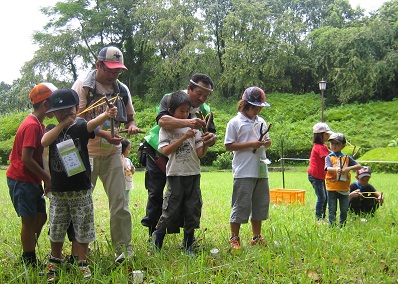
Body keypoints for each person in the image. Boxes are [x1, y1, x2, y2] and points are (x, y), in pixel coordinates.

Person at [72, 46, 141, 263]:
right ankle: (81, 251)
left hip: (113, 153)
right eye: (110, 69)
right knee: (82, 203)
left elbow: (130, 117)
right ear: (98, 65)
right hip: (86, 153)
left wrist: (131, 126)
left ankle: (123, 249)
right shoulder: (83, 86)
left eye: (118, 70)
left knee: (120, 203)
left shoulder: (122, 89)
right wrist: (103, 133)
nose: (114, 74)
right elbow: (77, 122)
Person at [42, 88, 117, 280]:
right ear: (53, 113)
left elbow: (92, 125)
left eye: (70, 109)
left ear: (77, 108)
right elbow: (44, 142)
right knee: (57, 227)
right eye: (60, 111)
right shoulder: (51, 129)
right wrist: (62, 125)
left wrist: (106, 115)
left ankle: (83, 262)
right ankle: (55, 261)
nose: (65, 113)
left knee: (82, 227)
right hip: (59, 191)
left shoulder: (80, 126)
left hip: (81, 189)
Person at [141, 73, 216, 240]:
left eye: (206, 95)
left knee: (190, 200)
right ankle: (153, 235)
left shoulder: (204, 110)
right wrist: (189, 123)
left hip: (188, 158)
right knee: (157, 194)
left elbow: (211, 133)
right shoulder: (170, 99)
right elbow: (163, 121)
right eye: (199, 93)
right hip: (158, 151)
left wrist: (210, 139)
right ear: (189, 88)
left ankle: (188, 237)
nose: (202, 98)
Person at [7, 82, 57, 267]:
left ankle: (28, 252)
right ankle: (29, 259)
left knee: (40, 216)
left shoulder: (39, 124)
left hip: (32, 179)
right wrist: (47, 177)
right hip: (21, 179)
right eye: (54, 102)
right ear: (45, 104)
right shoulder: (32, 126)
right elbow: (26, 158)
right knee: (28, 221)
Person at [152, 91, 209, 255]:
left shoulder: (194, 128)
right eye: (181, 111)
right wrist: (183, 137)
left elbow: (200, 153)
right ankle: (157, 239)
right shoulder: (167, 129)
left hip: (193, 174)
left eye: (187, 111)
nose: (185, 115)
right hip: (175, 175)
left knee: (193, 209)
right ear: (171, 111)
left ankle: (188, 243)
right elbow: (165, 151)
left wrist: (205, 143)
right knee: (170, 210)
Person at [224, 86, 272, 250]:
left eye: (260, 107)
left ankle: (256, 236)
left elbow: (268, 140)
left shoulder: (261, 121)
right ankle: (234, 237)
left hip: (261, 169)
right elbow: (228, 145)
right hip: (244, 171)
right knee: (241, 204)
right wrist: (251, 144)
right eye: (255, 106)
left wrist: (266, 143)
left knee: (260, 204)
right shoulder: (235, 122)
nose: (258, 110)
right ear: (245, 105)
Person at [325, 132, 361, 226]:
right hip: (331, 187)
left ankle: (342, 225)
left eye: (337, 143)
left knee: (344, 209)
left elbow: (358, 166)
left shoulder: (347, 158)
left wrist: (348, 169)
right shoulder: (329, 157)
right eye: (332, 143)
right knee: (332, 209)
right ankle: (331, 225)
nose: (334, 146)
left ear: (343, 145)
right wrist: (336, 169)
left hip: (344, 187)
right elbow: (327, 168)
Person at [307, 122, 333, 221]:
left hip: (321, 176)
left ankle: (322, 216)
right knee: (322, 197)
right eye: (326, 134)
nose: (328, 136)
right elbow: (328, 158)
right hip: (315, 176)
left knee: (325, 197)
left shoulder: (324, 146)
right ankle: (318, 218)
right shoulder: (319, 147)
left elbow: (332, 154)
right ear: (320, 135)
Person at [121, 138, 135, 202]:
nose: (129, 151)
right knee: (121, 199)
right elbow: (124, 167)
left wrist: (132, 169)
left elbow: (132, 172)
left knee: (126, 200)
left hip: (127, 184)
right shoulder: (119, 159)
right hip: (121, 184)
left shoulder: (128, 160)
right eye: (128, 149)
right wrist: (122, 156)